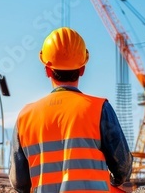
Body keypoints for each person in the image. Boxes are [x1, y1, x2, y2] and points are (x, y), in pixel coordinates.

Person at [9, 27, 132, 193]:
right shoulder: (99, 108)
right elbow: (122, 168)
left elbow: (19, 182)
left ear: (47, 70)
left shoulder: (25, 116)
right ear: (82, 69)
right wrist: (110, 179)